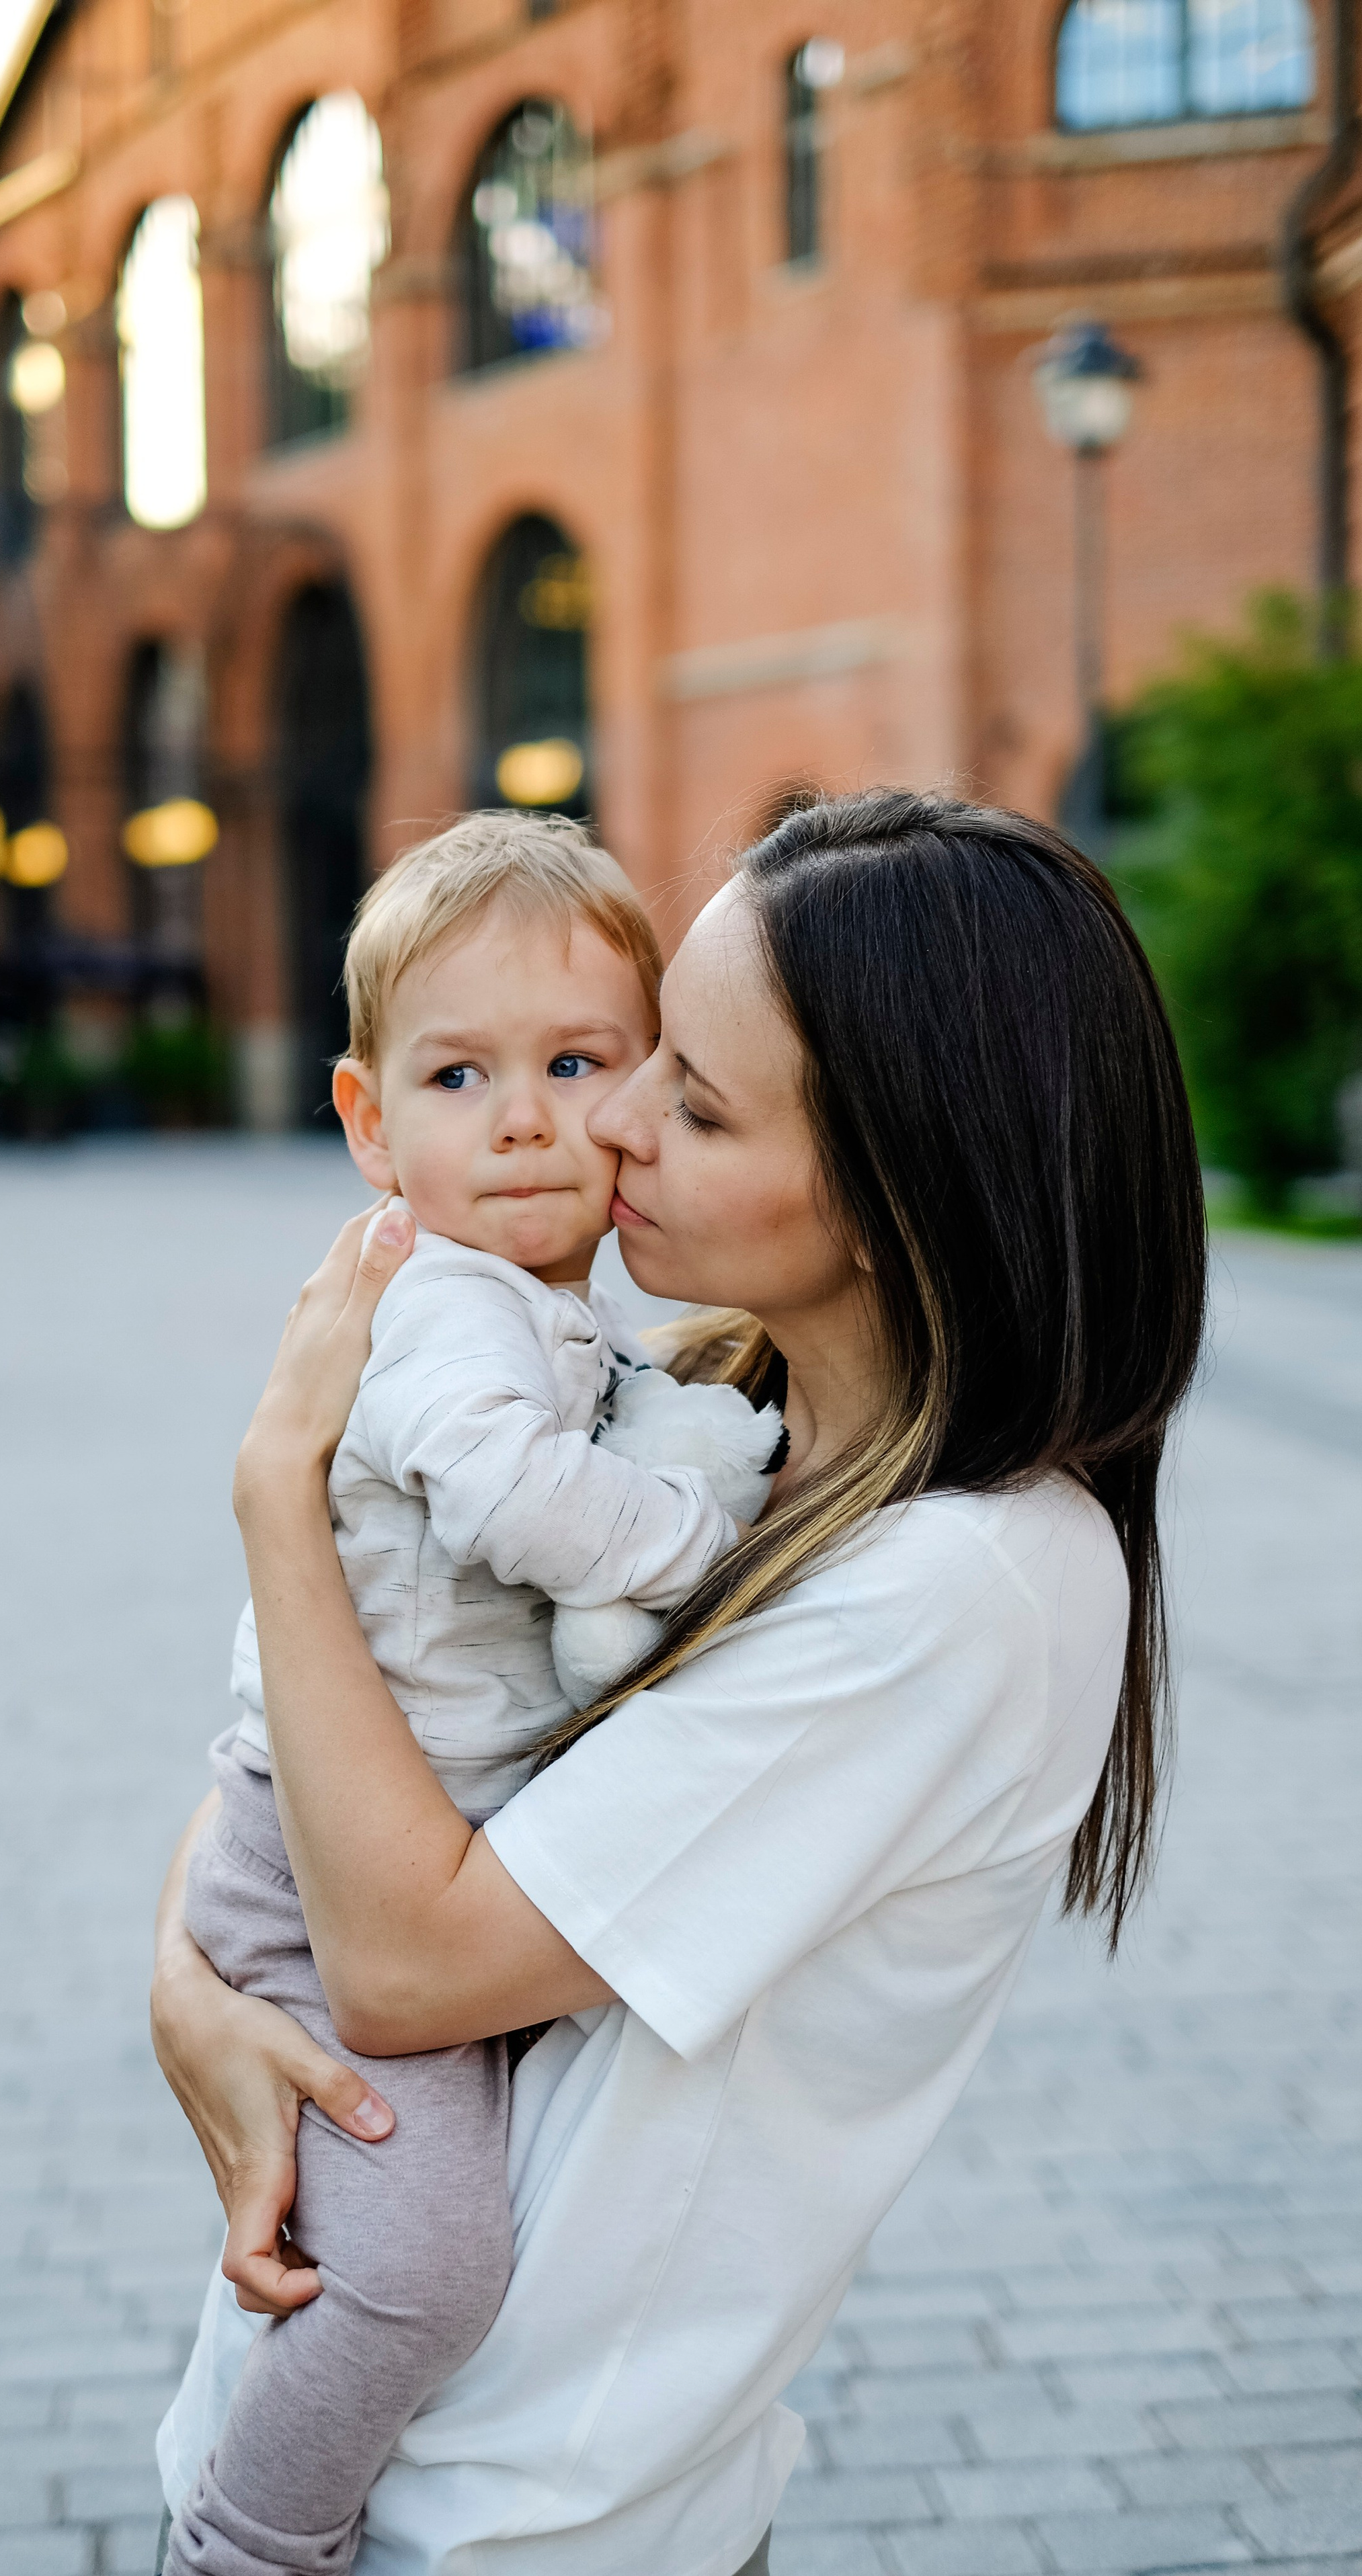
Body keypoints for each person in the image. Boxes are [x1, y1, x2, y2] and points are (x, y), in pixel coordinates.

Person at [151, 790, 1207, 2576]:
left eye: (686, 1094)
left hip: (524, 2520)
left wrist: (276, 1496)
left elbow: (402, 1961)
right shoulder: (711, 1397)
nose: (605, 1123)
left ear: (898, 1193)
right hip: (366, 2439)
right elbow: (340, 1741)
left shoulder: (970, 1587)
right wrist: (183, 1974)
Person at [170, 812, 780, 2575]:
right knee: (428, 2265)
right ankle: (247, 2537)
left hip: (414, 1823)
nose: (521, 1113)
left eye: (575, 1060)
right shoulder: (446, 1314)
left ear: (649, 1085)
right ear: (370, 1122)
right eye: (459, 1072)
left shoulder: (554, 1307)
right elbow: (519, 1499)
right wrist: (688, 1537)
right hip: (328, 1861)